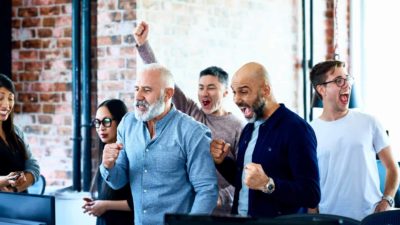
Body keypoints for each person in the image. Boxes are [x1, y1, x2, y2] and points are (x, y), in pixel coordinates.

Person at [134, 21, 244, 214]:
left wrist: (221, 197)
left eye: (211, 88)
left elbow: (244, 178)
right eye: (201, 87)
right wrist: (143, 46)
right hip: (188, 210)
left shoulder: (238, 128)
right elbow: (163, 80)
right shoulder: (191, 111)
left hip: (223, 214)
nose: (204, 93)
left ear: (226, 93)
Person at [99, 63, 218, 225]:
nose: (138, 96)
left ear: (168, 94)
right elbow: (118, 181)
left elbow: (207, 191)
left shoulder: (193, 132)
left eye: (146, 90)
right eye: (136, 89)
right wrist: (108, 166)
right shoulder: (127, 124)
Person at [211, 62, 320, 217]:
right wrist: (222, 162)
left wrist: (268, 184)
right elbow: (244, 182)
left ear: (266, 90)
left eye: (243, 91)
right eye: (234, 92)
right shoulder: (249, 129)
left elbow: (311, 194)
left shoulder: (297, 129)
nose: (236, 99)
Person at [309, 60, 399, 220]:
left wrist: (387, 200)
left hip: (370, 218)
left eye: (347, 79)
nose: (347, 85)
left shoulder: (370, 122)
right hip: (330, 219)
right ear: (321, 89)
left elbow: (393, 168)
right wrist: (314, 215)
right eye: (338, 80)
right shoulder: (309, 131)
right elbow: (309, 180)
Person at [82, 99, 134, 225]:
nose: (101, 128)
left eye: (106, 121)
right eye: (97, 122)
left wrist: (105, 205)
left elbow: (137, 201)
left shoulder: (130, 155)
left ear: (120, 122)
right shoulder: (105, 153)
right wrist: (97, 203)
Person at [0, 73, 40, 192]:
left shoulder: (16, 131)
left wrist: (15, 189)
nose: (7, 105)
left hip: (19, 202)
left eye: (10, 99)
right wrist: (5, 181)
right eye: (0, 98)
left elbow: (33, 166)